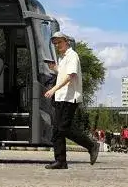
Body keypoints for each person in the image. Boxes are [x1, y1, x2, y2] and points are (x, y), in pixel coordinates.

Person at [42, 31, 99, 170]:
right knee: (57, 129)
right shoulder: (63, 58)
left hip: (70, 97)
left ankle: (91, 145)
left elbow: (71, 76)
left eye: (59, 42)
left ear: (66, 41)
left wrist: (53, 89)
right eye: (55, 44)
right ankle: (60, 161)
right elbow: (63, 74)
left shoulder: (73, 56)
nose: (57, 46)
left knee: (63, 128)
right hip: (61, 97)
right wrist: (54, 68)